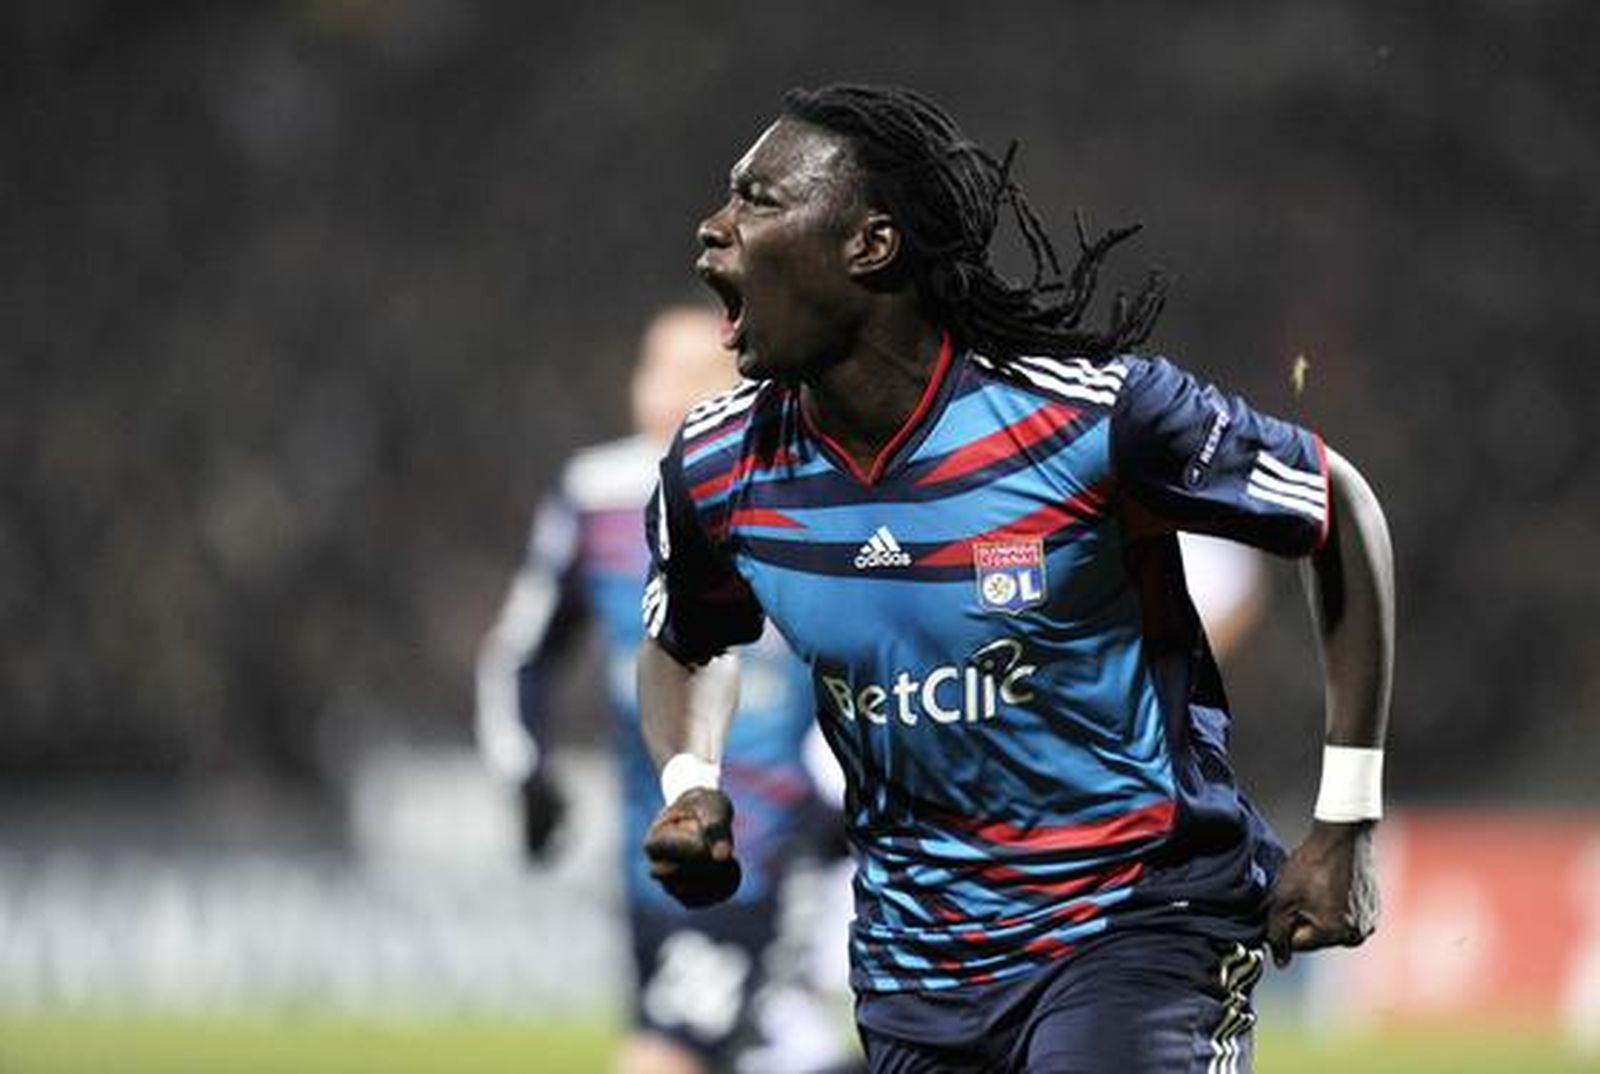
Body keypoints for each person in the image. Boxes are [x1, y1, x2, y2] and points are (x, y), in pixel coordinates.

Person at [636, 84, 1396, 1073]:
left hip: (1137, 926)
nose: (713, 227)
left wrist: (1347, 815)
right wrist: (691, 782)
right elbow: (683, 642)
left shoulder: (1086, 418)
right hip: (915, 971)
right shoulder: (717, 467)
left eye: (758, 199)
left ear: (871, 246)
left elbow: (1337, 508)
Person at [476, 305, 863, 1074]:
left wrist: (837, 794)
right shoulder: (595, 498)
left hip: (766, 841)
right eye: (658, 369)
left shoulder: (802, 489)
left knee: (668, 1055)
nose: (672, 391)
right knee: (763, 1052)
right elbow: (521, 652)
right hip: (650, 854)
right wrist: (526, 770)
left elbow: (865, 658)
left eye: (698, 373)